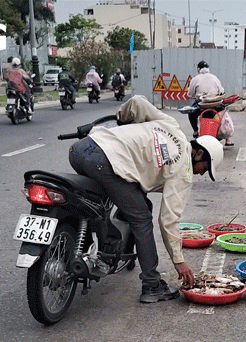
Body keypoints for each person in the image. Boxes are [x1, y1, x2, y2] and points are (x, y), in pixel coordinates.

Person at [68, 95, 224, 303]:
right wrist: (179, 261)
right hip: (105, 162)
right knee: (141, 219)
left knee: (100, 204)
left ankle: (91, 252)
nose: (201, 174)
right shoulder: (184, 171)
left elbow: (137, 102)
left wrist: (122, 122)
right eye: (204, 169)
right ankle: (151, 284)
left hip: (82, 148)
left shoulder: (171, 125)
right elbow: (168, 221)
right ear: (198, 155)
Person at [186, 60, 224, 138]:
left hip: (201, 104)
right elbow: (222, 91)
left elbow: (190, 94)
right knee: (223, 116)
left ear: (198, 69)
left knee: (191, 114)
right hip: (215, 103)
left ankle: (196, 131)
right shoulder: (214, 77)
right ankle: (228, 139)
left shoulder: (195, 79)